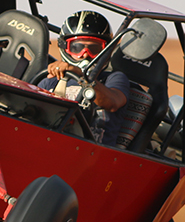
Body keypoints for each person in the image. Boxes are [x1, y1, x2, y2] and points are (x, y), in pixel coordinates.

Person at [38, 10, 130, 145]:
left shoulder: (114, 79)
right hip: (50, 145)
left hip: (92, 153)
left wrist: (80, 75)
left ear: (106, 50)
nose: (85, 55)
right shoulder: (51, 81)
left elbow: (112, 104)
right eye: (77, 47)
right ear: (65, 48)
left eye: (94, 49)